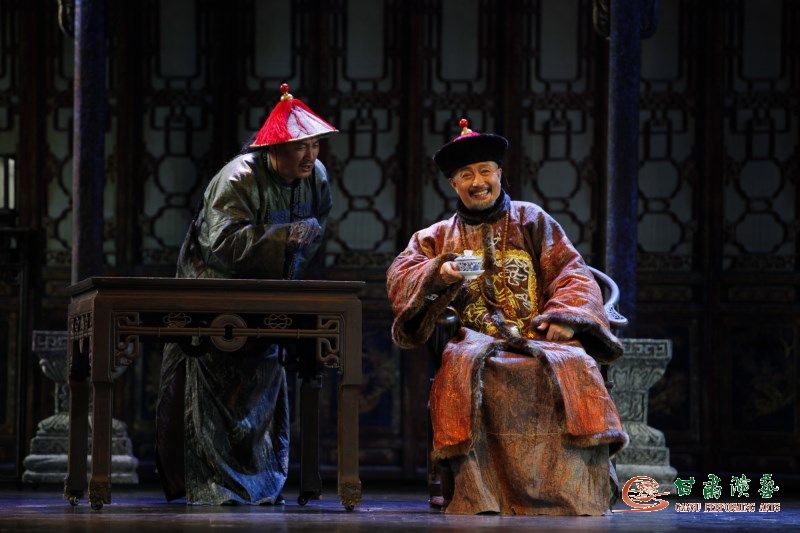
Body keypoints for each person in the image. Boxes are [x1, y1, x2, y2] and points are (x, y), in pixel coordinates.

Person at [386, 119, 628, 515]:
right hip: (475, 340)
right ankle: (483, 495)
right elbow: (402, 273)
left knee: (576, 364)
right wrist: (439, 273)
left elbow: (572, 272)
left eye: (485, 171)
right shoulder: (435, 236)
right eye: (466, 175)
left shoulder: (532, 219)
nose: (477, 182)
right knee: (465, 367)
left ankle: (574, 493)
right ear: (453, 184)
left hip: (541, 335)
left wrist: (566, 317)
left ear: (499, 174)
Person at [156, 84, 337, 505]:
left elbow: (316, 228)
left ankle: (260, 484)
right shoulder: (238, 177)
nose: (310, 155)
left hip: (268, 295)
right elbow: (220, 243)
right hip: (213, 293)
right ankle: (214, 485)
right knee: (213, 387)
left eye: (315, 145)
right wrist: (283, 236)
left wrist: (294, 250)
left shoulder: (316, 178)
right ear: (274, 147)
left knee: (263, 384)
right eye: (300, 146)